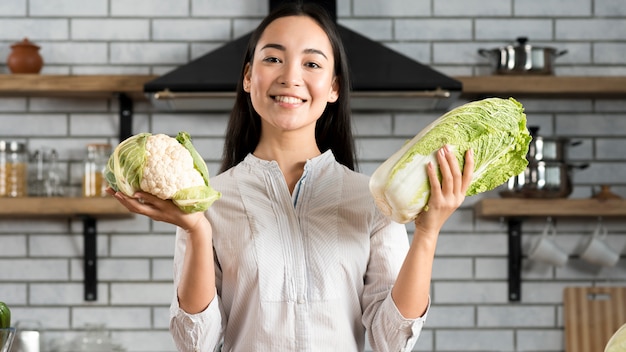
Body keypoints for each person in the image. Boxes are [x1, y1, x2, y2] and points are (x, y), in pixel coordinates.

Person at [108, 2, 474, 351]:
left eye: (312, 64)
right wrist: (197, 231)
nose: (290, 77)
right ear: (249, 77)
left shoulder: (374, 200)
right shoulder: (205, 200)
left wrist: (427, 233)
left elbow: (390, 341)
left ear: (334, 87)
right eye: (272, 59)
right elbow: (195, 344)